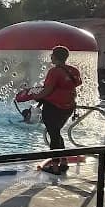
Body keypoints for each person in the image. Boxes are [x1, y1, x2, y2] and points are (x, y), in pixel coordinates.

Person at [25, 46, 82, 174]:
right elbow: (78, 83)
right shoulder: (73, 70)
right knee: (56, 133)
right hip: (69, 106)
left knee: (54, 136)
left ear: (55, 57)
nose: (51, 57)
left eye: (52, 55)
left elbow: (47, 90)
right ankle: (63, 161)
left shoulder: (54, 72)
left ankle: (55, 167)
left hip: (53, 107)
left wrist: (32, 96)